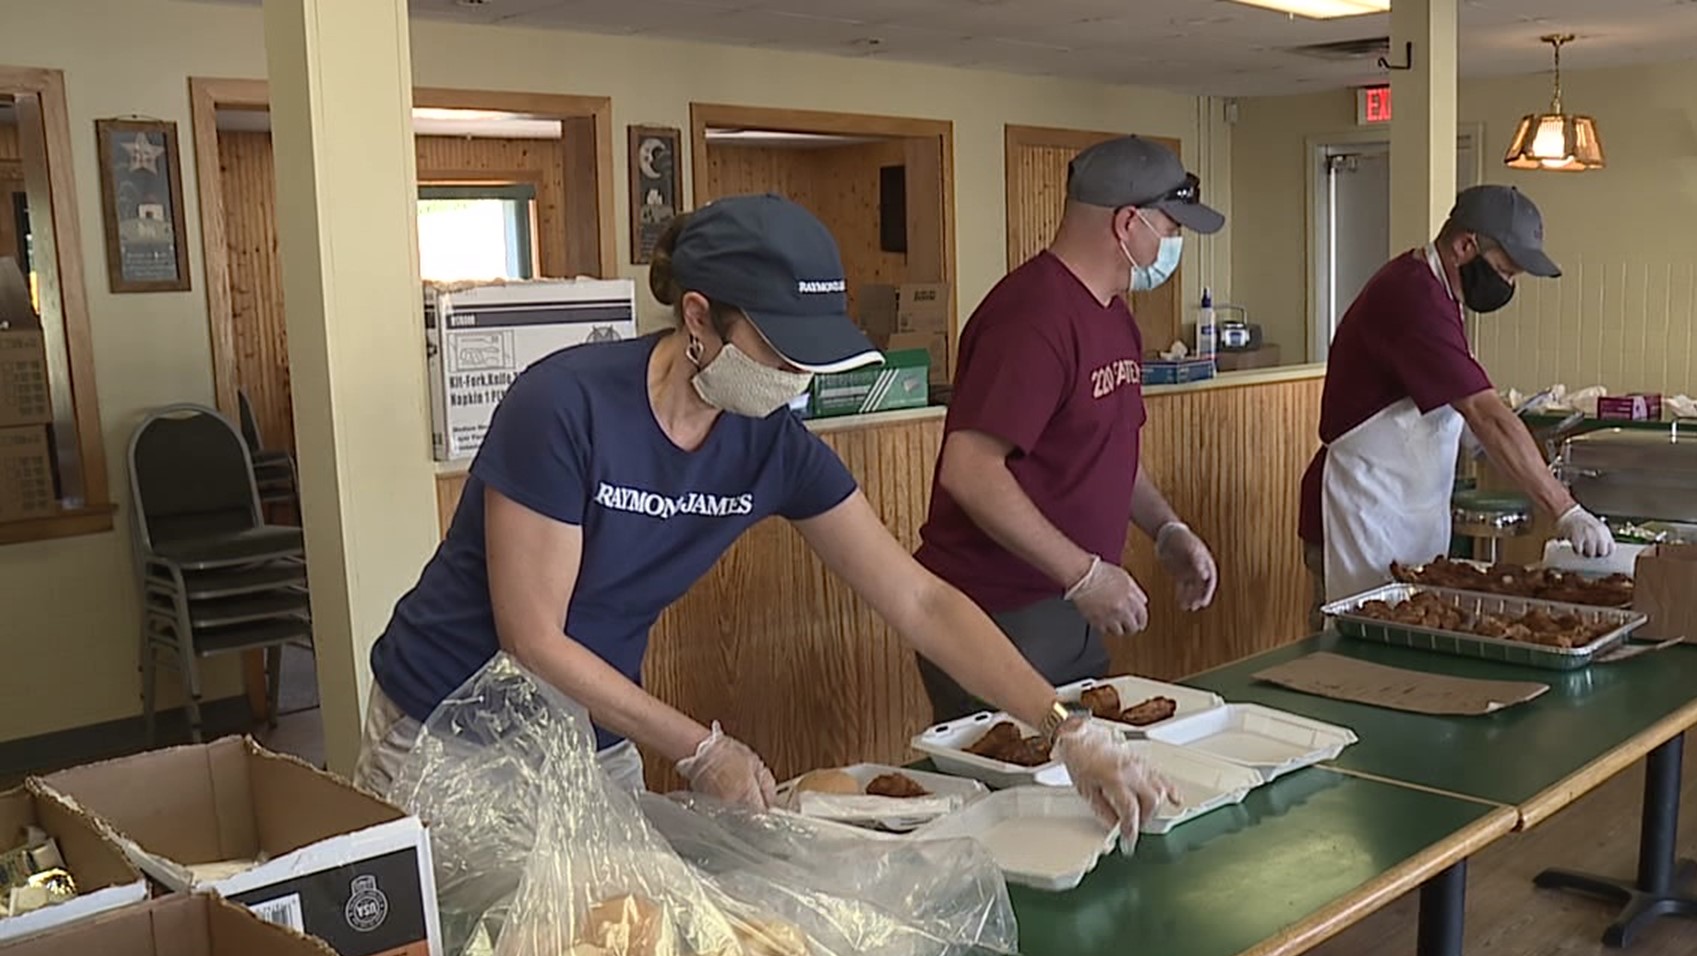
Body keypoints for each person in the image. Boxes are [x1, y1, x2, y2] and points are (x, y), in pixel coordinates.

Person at [359, 194, 1171, 843]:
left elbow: (919, 600)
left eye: (812, 362)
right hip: (446, 728)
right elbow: (533, 638)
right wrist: (699, 745)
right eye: (782, 356)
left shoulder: (770, 445)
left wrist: (1066, 728)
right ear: (701, 319)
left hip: (590, 732)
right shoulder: (564, 406)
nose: (795, 382)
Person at [915, 136, 1223, 722]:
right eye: (1171, 225)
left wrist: (1166, 529)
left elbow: (1110, 452)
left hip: (1072, 604)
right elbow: (970, 470)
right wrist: (1083, 574)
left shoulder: (1113, 314)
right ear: (1128, 224)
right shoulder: (1030, 318)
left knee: (1086, 787)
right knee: (1022, 798)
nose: (1175, 243)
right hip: (997, 613)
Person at [1300, 184, 1615, 611]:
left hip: (1406, 509)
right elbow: (1487, 414)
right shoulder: (1413, 297)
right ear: (1466, 245)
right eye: (1505, 271)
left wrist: (1462, 434)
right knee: (1360, 648)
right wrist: (1564, 510)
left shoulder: (1439, 294)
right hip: (1363, 507)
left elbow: (1446, 400)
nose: (1507, 285)